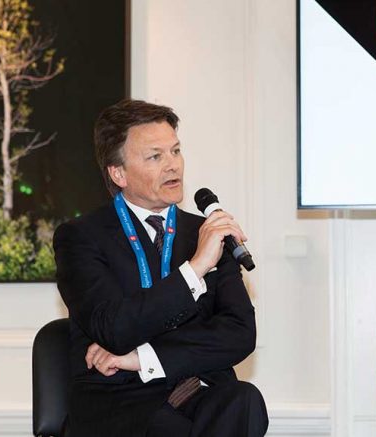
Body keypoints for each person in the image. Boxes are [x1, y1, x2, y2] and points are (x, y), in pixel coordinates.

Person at [54, 99, 268, 437]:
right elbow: (114, 327)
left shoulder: (208, 232)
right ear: (118, 172)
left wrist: (141, 357)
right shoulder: (80, 238)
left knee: (243, 399)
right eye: (156, 156)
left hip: (197, 388)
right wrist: (196, 268)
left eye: (176, 151)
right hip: (120, 401)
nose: (173, 166)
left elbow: (240, 335)